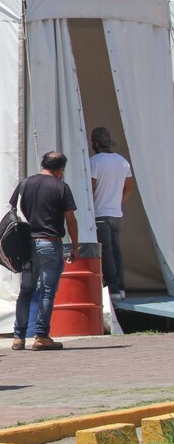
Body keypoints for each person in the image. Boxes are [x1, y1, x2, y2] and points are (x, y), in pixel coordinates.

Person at [9, 151, 79, 351]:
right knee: (47, 292)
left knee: (26, 291)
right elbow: (71, 220)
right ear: (60, 170)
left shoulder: (25, 183)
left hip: (27, 244)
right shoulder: (61, 187)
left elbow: (14, 211)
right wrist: (75, 246)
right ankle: (41, 336)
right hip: (50, 244)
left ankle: (18, 337)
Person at [89, 127, 134, 300]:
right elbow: (129, 189)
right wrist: (116, 203)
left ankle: (113, 289)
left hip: (100, 213)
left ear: (96, 143)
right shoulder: (123, 162)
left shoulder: (94, 162)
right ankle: (121, 288)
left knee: (105, 252)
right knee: (116, 251)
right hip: (116, 213)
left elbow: (91, 189)